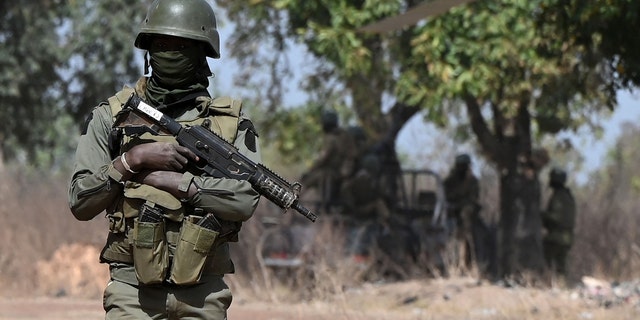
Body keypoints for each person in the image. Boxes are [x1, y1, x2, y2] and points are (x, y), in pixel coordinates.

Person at [68, 1, 261, 318]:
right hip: (132, 293)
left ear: (202, 52)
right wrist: (132, 160)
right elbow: (80, 202)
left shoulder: (230, 124)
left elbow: (244, 202)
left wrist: (182, 184)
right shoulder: (112, 117)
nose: (170, 52)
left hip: (204, 293)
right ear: (148, 49)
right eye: (162, 44)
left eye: (182, 45)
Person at [300, 110, 357, 211]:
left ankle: (293, 200)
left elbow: (323, 158)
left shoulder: (331, 138)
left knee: (307, 179)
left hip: (332, 174)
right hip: (344, 174)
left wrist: (310, 171)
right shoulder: (346, 136)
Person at [443, 153, 481, 270]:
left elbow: (474, 198)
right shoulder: (449, 181)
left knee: (467, 218)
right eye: (461, 165)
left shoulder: (472, 181)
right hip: (450, 209)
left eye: (465, 165)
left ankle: (467, 262)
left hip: (466, 211)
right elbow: (446, 195)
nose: (463, 168)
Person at [542, 167, 576, 277]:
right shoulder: (568, 196)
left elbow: (557, 218)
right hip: (566, 238)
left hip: (557, 237)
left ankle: (545, 283)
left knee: (546, 262)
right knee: (561, 267)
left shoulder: (559, 197)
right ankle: (561, 286)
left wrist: (541, 215)